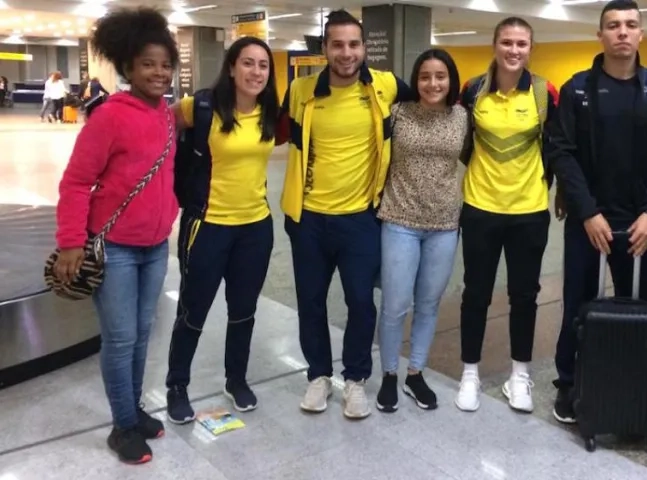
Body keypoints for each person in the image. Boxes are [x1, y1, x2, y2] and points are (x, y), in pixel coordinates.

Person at [53, 6, 178, 464]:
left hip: (156, 246)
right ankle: (122, 426)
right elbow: (76, 181)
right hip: (116, 250)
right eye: (148, 64)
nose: (159, 73)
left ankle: (133, 411)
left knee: (143, 334)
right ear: (128, 66)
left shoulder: (167, 115)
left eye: (166, 64)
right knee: (121, 338)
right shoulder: (108, 116)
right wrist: (70, 241)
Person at [547, 0, 647, 424]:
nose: (622, 32)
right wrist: (587, 213)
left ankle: (626, 382)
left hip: (637, 224)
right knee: (577, 305)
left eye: (630, 25)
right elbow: (563, 153)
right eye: (612, 25)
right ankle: (568, 383)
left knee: (634, 306)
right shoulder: (577, 90)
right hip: (589, 222)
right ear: (600, 35)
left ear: (641, 34)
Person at [278, 9, 413, 420]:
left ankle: (355, 379)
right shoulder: (301, 90)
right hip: (309, 220)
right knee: (311, 302)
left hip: (361, 220)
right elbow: (263, 127)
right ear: (324, 49)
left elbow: (432, 102)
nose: (347, 53)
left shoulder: (385, 85)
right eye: (337, 44)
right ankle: (318, 375)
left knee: (360, 302)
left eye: (354, 44)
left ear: (363, 48)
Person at [164, 36, 279, 424]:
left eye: (263, 65)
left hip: (255, 228)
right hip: (207, 226)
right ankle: (177, 385)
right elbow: (160, 128)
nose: (256, 72)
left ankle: (236, 378)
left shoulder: (269, 111)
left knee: (243, 312)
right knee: (193, 311)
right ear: (232, 67)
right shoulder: (201, 105)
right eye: (248, 63)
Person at [454, 16, 559, 414]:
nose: (514, 50)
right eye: (507, 42)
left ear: (531, 48)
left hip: (529, 211)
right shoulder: (472, 91)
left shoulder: (543, 92)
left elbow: (559, 144)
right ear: (495, 45)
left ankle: (520, 374)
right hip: (480, 208)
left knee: (525, 295)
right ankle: (469, 373)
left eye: (522, 44)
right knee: (475, 293)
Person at [375, 48, 469, 413]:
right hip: (399, 221)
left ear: (451, 80)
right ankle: (388, 375)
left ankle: (415, 372)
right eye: (425, 76)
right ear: (415, 80)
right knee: (396, 305)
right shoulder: (397, 114)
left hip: (445, 225)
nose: (433, 83)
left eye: (440, 76)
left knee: (429, 304)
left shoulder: (462, 117)